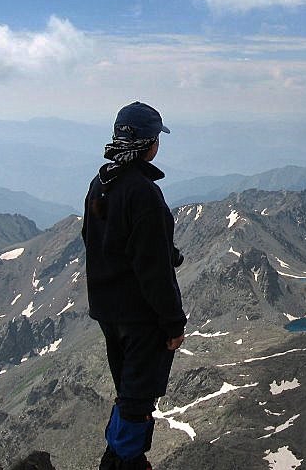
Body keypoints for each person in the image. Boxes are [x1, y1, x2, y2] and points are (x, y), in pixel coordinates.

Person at [82, 101, 187, 470]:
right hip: (140, 317)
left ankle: (117, 454)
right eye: (156, 137)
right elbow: (154, 272)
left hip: (109, 311)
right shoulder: (143, 193)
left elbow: (100, 243)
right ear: (149, 143)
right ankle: (125, 460)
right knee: (138, 399)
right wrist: (174, 323)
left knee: (128, 392)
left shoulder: (101, 183)